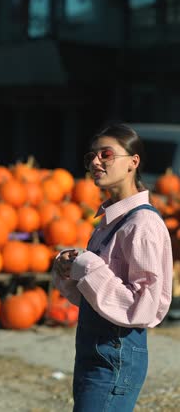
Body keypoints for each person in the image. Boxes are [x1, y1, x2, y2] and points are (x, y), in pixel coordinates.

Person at [52, 121, 173, 412]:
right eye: (91, 156)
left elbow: (144, 306)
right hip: (95, 351)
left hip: (115, 355)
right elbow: (98, 297)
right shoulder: (111, 222)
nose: (95, 161)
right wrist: (70, 270)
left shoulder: (142, 225)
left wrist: (88, 267)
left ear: (133, 162)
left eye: (106, 154)